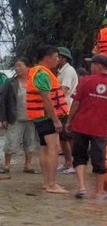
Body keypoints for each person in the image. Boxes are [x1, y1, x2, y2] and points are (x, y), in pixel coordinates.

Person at [65, 54, 107, 199]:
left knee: (79, 156)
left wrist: (69, 121)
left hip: (80, 126)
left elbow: (76, 103)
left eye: (92, 64)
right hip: (99, 129)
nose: (90, 66)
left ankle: (81, 187)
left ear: (99, 66)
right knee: (99, 159)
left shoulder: (85, 81)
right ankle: (99, 192)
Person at [28, 45, 70, 194]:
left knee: (44, 148)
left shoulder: (36, 72)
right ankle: (52, 184)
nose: (58, 59)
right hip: (45, 117)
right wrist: (56, 120)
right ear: (47, 58)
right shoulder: (42, 74)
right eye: (56, 56)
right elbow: (46, 100)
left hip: (39, 117)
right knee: (53, 149)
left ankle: (46, 183)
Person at [0, 58, 38, 174]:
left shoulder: (34, 82)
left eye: (20, 66)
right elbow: (2, 100)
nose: (17, 68)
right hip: (15, 117)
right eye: (16, 66)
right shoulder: (10, 83)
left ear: (28, 67)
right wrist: (3, 118)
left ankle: (28, 165)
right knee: (11, 141)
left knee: (30, 142)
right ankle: (6, 165)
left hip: (31, 117)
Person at [56, 47, 79, 175]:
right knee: (63, 138)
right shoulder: (61, 71)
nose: (56, 59)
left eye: (57, 56)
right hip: (62, 108)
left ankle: (74, 164)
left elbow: (64, 90)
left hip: (67, 108)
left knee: (69, 138)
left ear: (63, 58)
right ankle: (67, 162)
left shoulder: (68, 71)